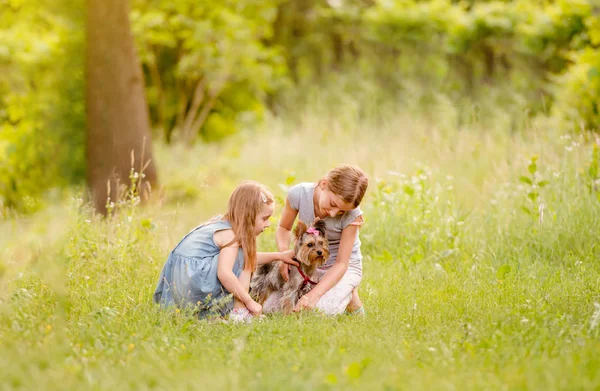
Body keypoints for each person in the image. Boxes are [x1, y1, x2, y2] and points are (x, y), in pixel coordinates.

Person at [153, 181, 297, 321]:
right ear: (248, 216)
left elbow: (238, 259)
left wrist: (278, 256)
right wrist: (250, 302)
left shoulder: (222, 224)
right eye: (264, 219)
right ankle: (240, 311)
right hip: (194, 281)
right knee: (246, 254)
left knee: (247, 255)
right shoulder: (230, 236)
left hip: (181, 284)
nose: (268, 224)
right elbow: (225, 273)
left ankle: (221, 312)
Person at [274, 165, 368, 315]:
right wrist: (283, 256)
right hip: (308, 263)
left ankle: (349, 292)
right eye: (332, 204)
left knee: (322, 311)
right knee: (273, 307)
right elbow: (284, 228)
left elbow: (342, 263)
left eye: (341, 211)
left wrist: (313, 295)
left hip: (342, 267)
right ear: (324, 184)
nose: (333, 213)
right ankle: (341, 291)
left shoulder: (353, 215)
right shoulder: (298, 194)